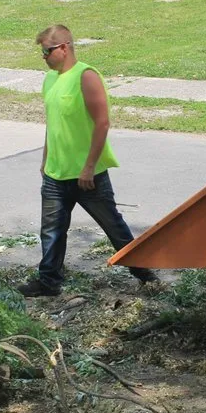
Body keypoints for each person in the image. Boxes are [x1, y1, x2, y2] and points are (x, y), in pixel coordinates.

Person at [18, 25, 156, 298]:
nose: (43, 57)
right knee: (52, 232)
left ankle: (145, 274)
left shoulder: (86, 75)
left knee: (113, 226)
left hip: (87, 177)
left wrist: (89, 166)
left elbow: (102, 123)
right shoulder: (50, 79)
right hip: (56, 174)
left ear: (64, 47)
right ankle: (48, 282)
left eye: (47, 51)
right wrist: (45, 160)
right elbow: (53, 124)